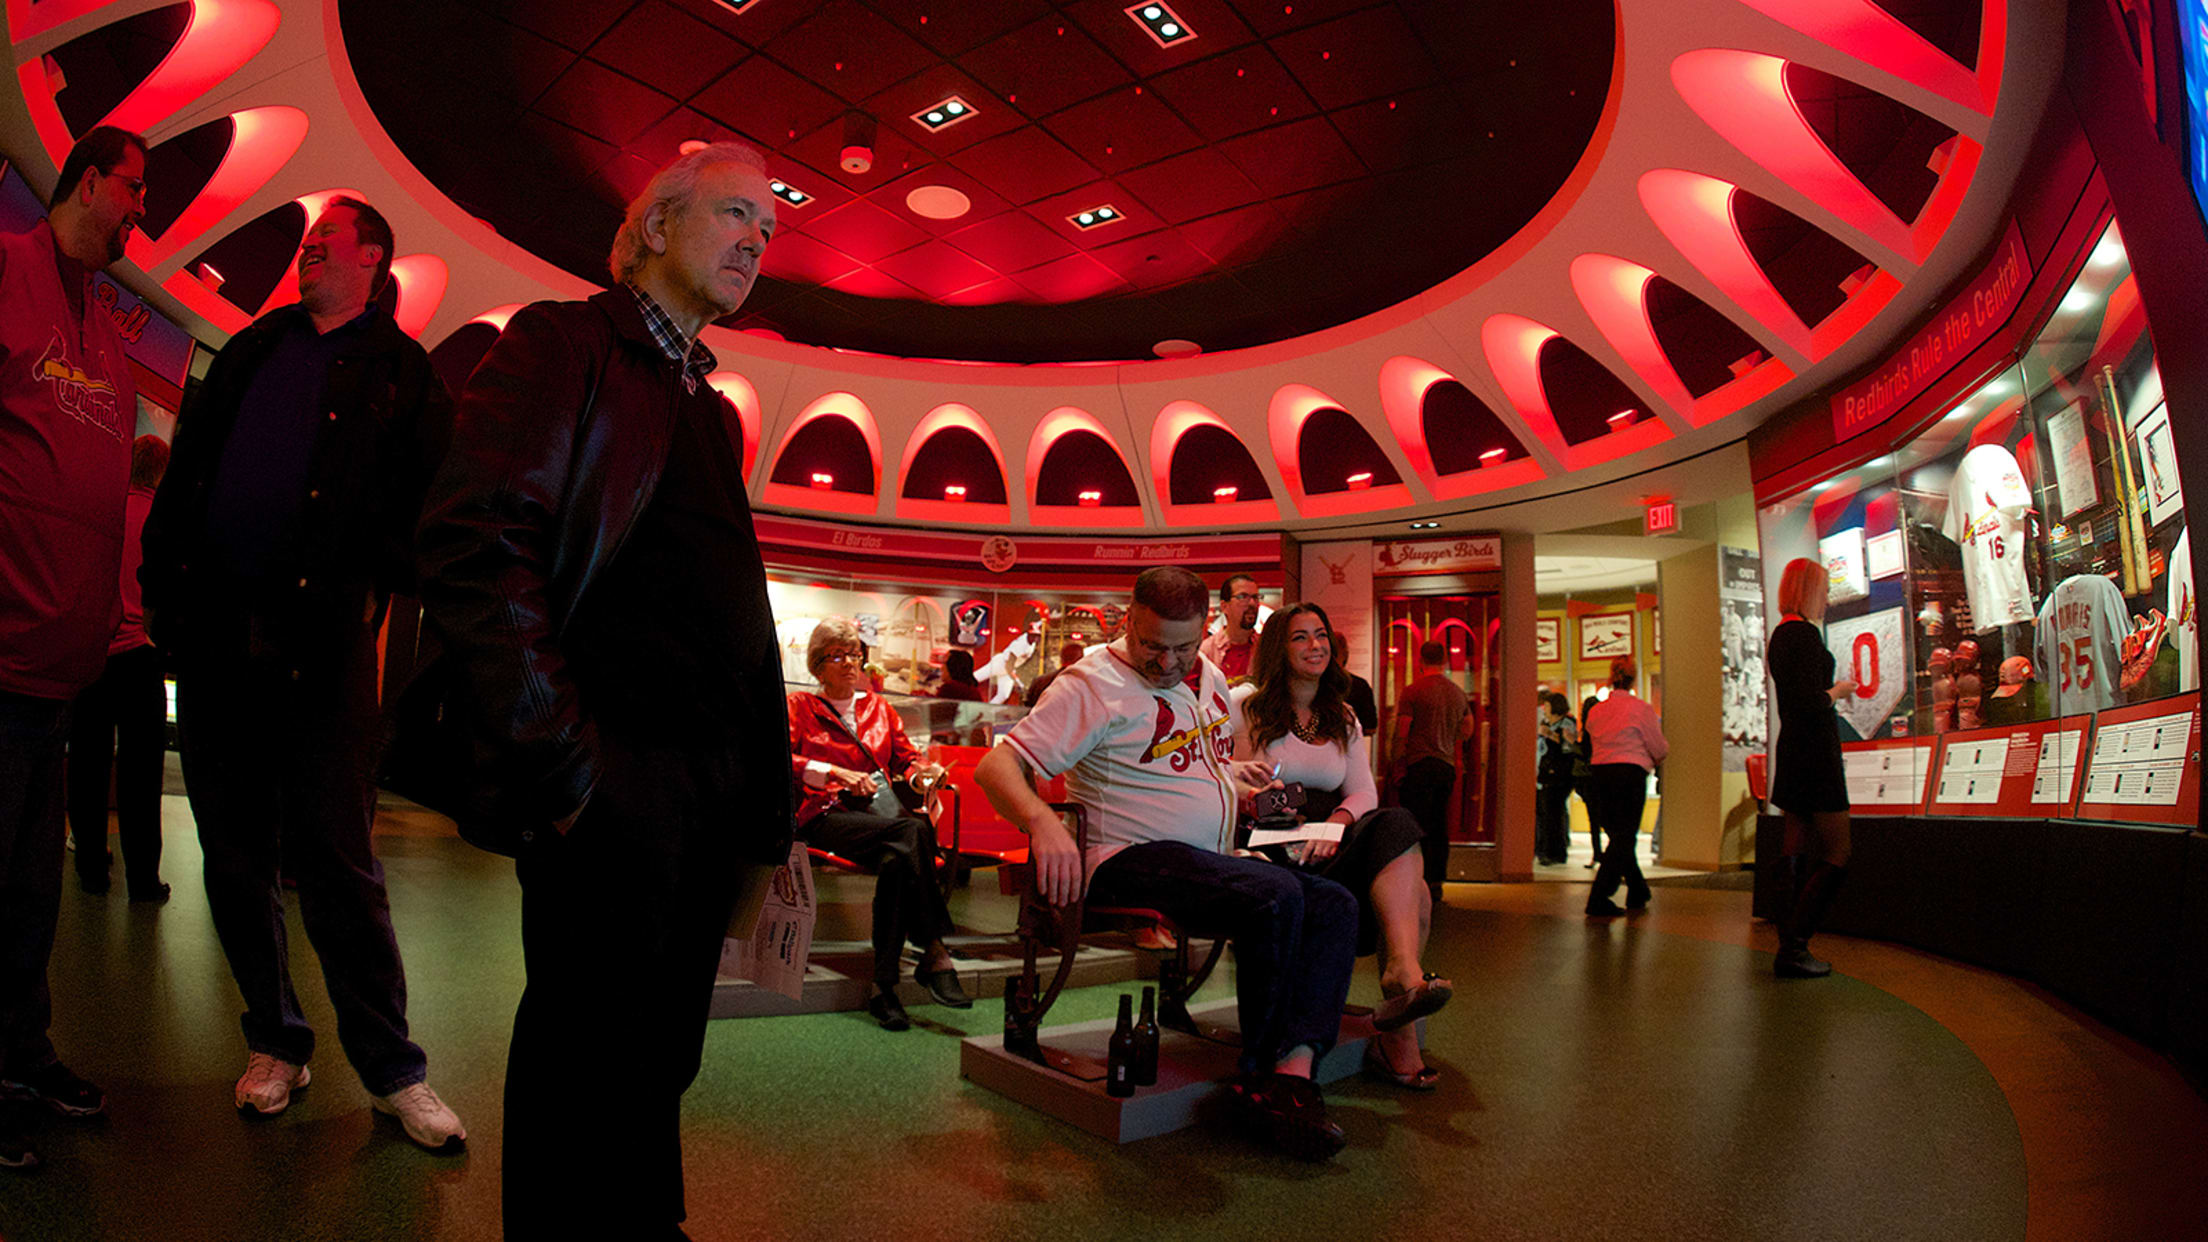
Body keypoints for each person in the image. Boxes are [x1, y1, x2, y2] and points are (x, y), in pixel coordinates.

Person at [414, 141, 795, 1237]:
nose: (757, 242)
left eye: (767, 231)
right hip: (611, 788)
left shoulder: (709, 407)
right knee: (583, 1067)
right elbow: (476, 545)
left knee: (657, 1058)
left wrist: (757, 813)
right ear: (657, 228)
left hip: (702, 805)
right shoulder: (564, 344)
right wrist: (577, 773)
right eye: (735, 214)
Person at [137, 196, 462, 1148]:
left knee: (339, 865)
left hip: (319, 659)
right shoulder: (251, 349)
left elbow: (432, 515)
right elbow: (191, 470)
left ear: (373, 259)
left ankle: (394, 1069)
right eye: (306, 245)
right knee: (235, 858)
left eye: (326, 244)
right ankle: (276, 1040)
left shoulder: (403, 374)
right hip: (214, 645)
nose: (306, 254)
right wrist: (165, 590)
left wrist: (369, 585)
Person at [975, 567, 1358, 1160]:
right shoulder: (1090, 684)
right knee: (1274, 895)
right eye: (1152, 645)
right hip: (1125, 855)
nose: (1168, 662)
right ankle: (1258, 1083)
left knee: (1334, 902)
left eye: (1181, 646)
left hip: (1202, 855)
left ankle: (1295, 1071)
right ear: (1128, 620)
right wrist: (1042, 821)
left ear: (1203, 629)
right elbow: (996, 767)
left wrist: (1234, 780)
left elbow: (1171, 763)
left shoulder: (1205, 672)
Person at [0, 124, 145, 1169]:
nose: (143, 209)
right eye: (135, 188)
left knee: (29, 889)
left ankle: (21, 1050)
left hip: (61, 668)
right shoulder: (6, 273)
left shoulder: (106, 325)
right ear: (89, 179)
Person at [1232, 603, 1451, 1090]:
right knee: (1416, 894)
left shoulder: (1342, 713)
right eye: (1300, 637)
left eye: (1321, 635)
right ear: (1276, 648)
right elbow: (1211, 772)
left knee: (1395, 823)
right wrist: (1247, 790)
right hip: (1270, 838)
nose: (1315, 646)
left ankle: (1402, 972)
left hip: (1330, 836)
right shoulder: (1244, 703)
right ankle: (1400, 1027)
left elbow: (1362, 792)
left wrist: (1335, 822)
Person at [789, 617, 969, 1030]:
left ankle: (883, 988)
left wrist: (925, 774)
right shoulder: (801, 707)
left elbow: (906, 759)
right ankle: (935, 948)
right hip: (825, 814)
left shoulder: (880, 708)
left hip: (879, 819)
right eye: (838, 656)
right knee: (914, 831)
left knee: (896, 861)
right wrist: (829, 772)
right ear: (818, 666)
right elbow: (780, 758)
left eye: (855, 654)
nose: (851, 664)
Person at [66, 434, 171, 902]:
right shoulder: (162, 523)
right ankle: (144, 880)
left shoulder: (103, 515)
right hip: (143, 658)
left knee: (88, 764)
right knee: (141, 775)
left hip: (96, 655)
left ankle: (91, 866)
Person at [1766, 558, 1857, 977]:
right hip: (1816, 753)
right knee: (1838, 850)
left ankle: (1789, 942)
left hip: (1794, 752)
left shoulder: (1781, 635)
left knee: (1795, 846)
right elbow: (1810, 700)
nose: (1827, 597)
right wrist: (1837, 690)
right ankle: (1795, 944)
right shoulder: (1802, 635)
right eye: (1822, 588)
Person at [1583, 658, 1668, 917]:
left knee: (1617, 835)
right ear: (1632, 679)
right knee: (1625, 836)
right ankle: (1599, 896)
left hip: (1601, 774)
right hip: (1630, 773)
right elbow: (1659, 747)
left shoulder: (1596, 711)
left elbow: (1588, 742)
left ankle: (1637, 888)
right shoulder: (1640, 709)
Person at [1394, 640, 1472, 899]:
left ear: (1420, 661)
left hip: (1419, 764)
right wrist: (1449, 739)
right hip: (1446, 765)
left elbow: (1403, 731)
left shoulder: (1413, 691)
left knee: (1416, 825)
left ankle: (1415, 880)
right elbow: (1467, 729)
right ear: (1445, 661)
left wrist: (1397, 762)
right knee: (1440, 826)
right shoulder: (1457, 693)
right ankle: (1436, 881)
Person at [1534, 692, 1578, 866]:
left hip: (1559, 775)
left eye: (1547, 706)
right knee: (1546, 812)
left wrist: (1550, 735)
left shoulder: (1566, 724)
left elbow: (1568, 747)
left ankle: (1552, 851)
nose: (1544, 709)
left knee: (1552, 813)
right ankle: (1549, 850)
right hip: (1545, 772)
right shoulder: (1546, 723)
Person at [1199, 573, 1262, 685]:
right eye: (1243, 597)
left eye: (1255, 597)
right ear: (1224, 606)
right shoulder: (1207, 651)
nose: (1252, 603)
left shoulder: (1266, 648)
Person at [1577, 693, 1603, 868]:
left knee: (1593, 819)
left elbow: (1584, 752)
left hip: (1589, 778)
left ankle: (1597, 854)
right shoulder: (1604, 728)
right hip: (1603, 775)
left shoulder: (1587, 730)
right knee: (1608, 819)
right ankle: (1602, 854)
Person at [1023, 640, 1088, 707]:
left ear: (1061, 658)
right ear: (1081, 660)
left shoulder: (1039, 682)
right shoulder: (1087, 685)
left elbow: (1028, 709)